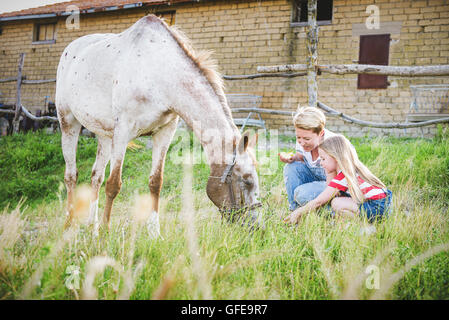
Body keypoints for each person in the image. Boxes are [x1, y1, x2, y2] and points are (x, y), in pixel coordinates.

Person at [284, 134, 393, 224]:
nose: (321, 163)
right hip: (384, 204)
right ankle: (349, 223)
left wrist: (297, 213)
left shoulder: (343, 177)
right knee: (338, 201)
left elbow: (319, 201)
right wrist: (329, 171)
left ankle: (362, 226)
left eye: (323, 159)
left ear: (335, 157)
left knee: (336, 203)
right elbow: (329, 189)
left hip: (377, 208)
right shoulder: (350, 171)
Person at [280, 106, 336, 211]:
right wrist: (292, 158)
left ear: (321, 133)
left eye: (306, 139)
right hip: (318, 180)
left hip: (336, 185)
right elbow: (301, 157)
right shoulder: (302, 140)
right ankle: (294, 210)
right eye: (298, 137)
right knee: (291, 167)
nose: (301, 142)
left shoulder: (332, 145)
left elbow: (338, 183)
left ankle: (331, 210)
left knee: (302, 195)